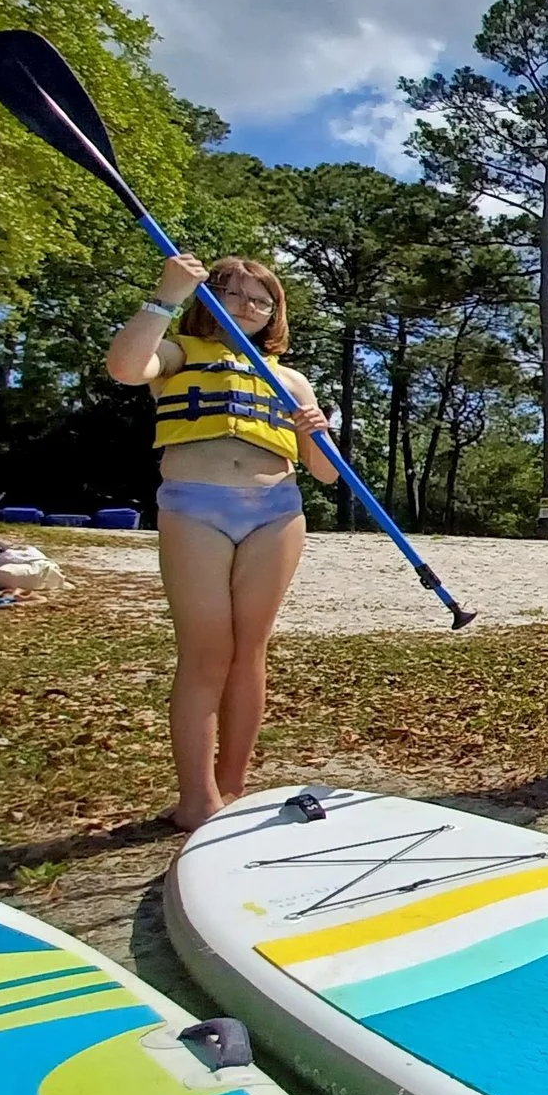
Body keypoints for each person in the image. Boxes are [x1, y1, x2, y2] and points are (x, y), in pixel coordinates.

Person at [104, 252, 337, 830]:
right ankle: (197, 798)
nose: (248, 306)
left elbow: (327, 474)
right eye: (233, 293)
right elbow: (125, 367)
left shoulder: (289, 378)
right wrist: (166, 295)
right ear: (211, 299)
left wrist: (317, 436)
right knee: (207, 652)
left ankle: (233, 785)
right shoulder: (181, 353)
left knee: (249, 651)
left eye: (262, 299)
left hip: (277, 510)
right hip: (195, 505)